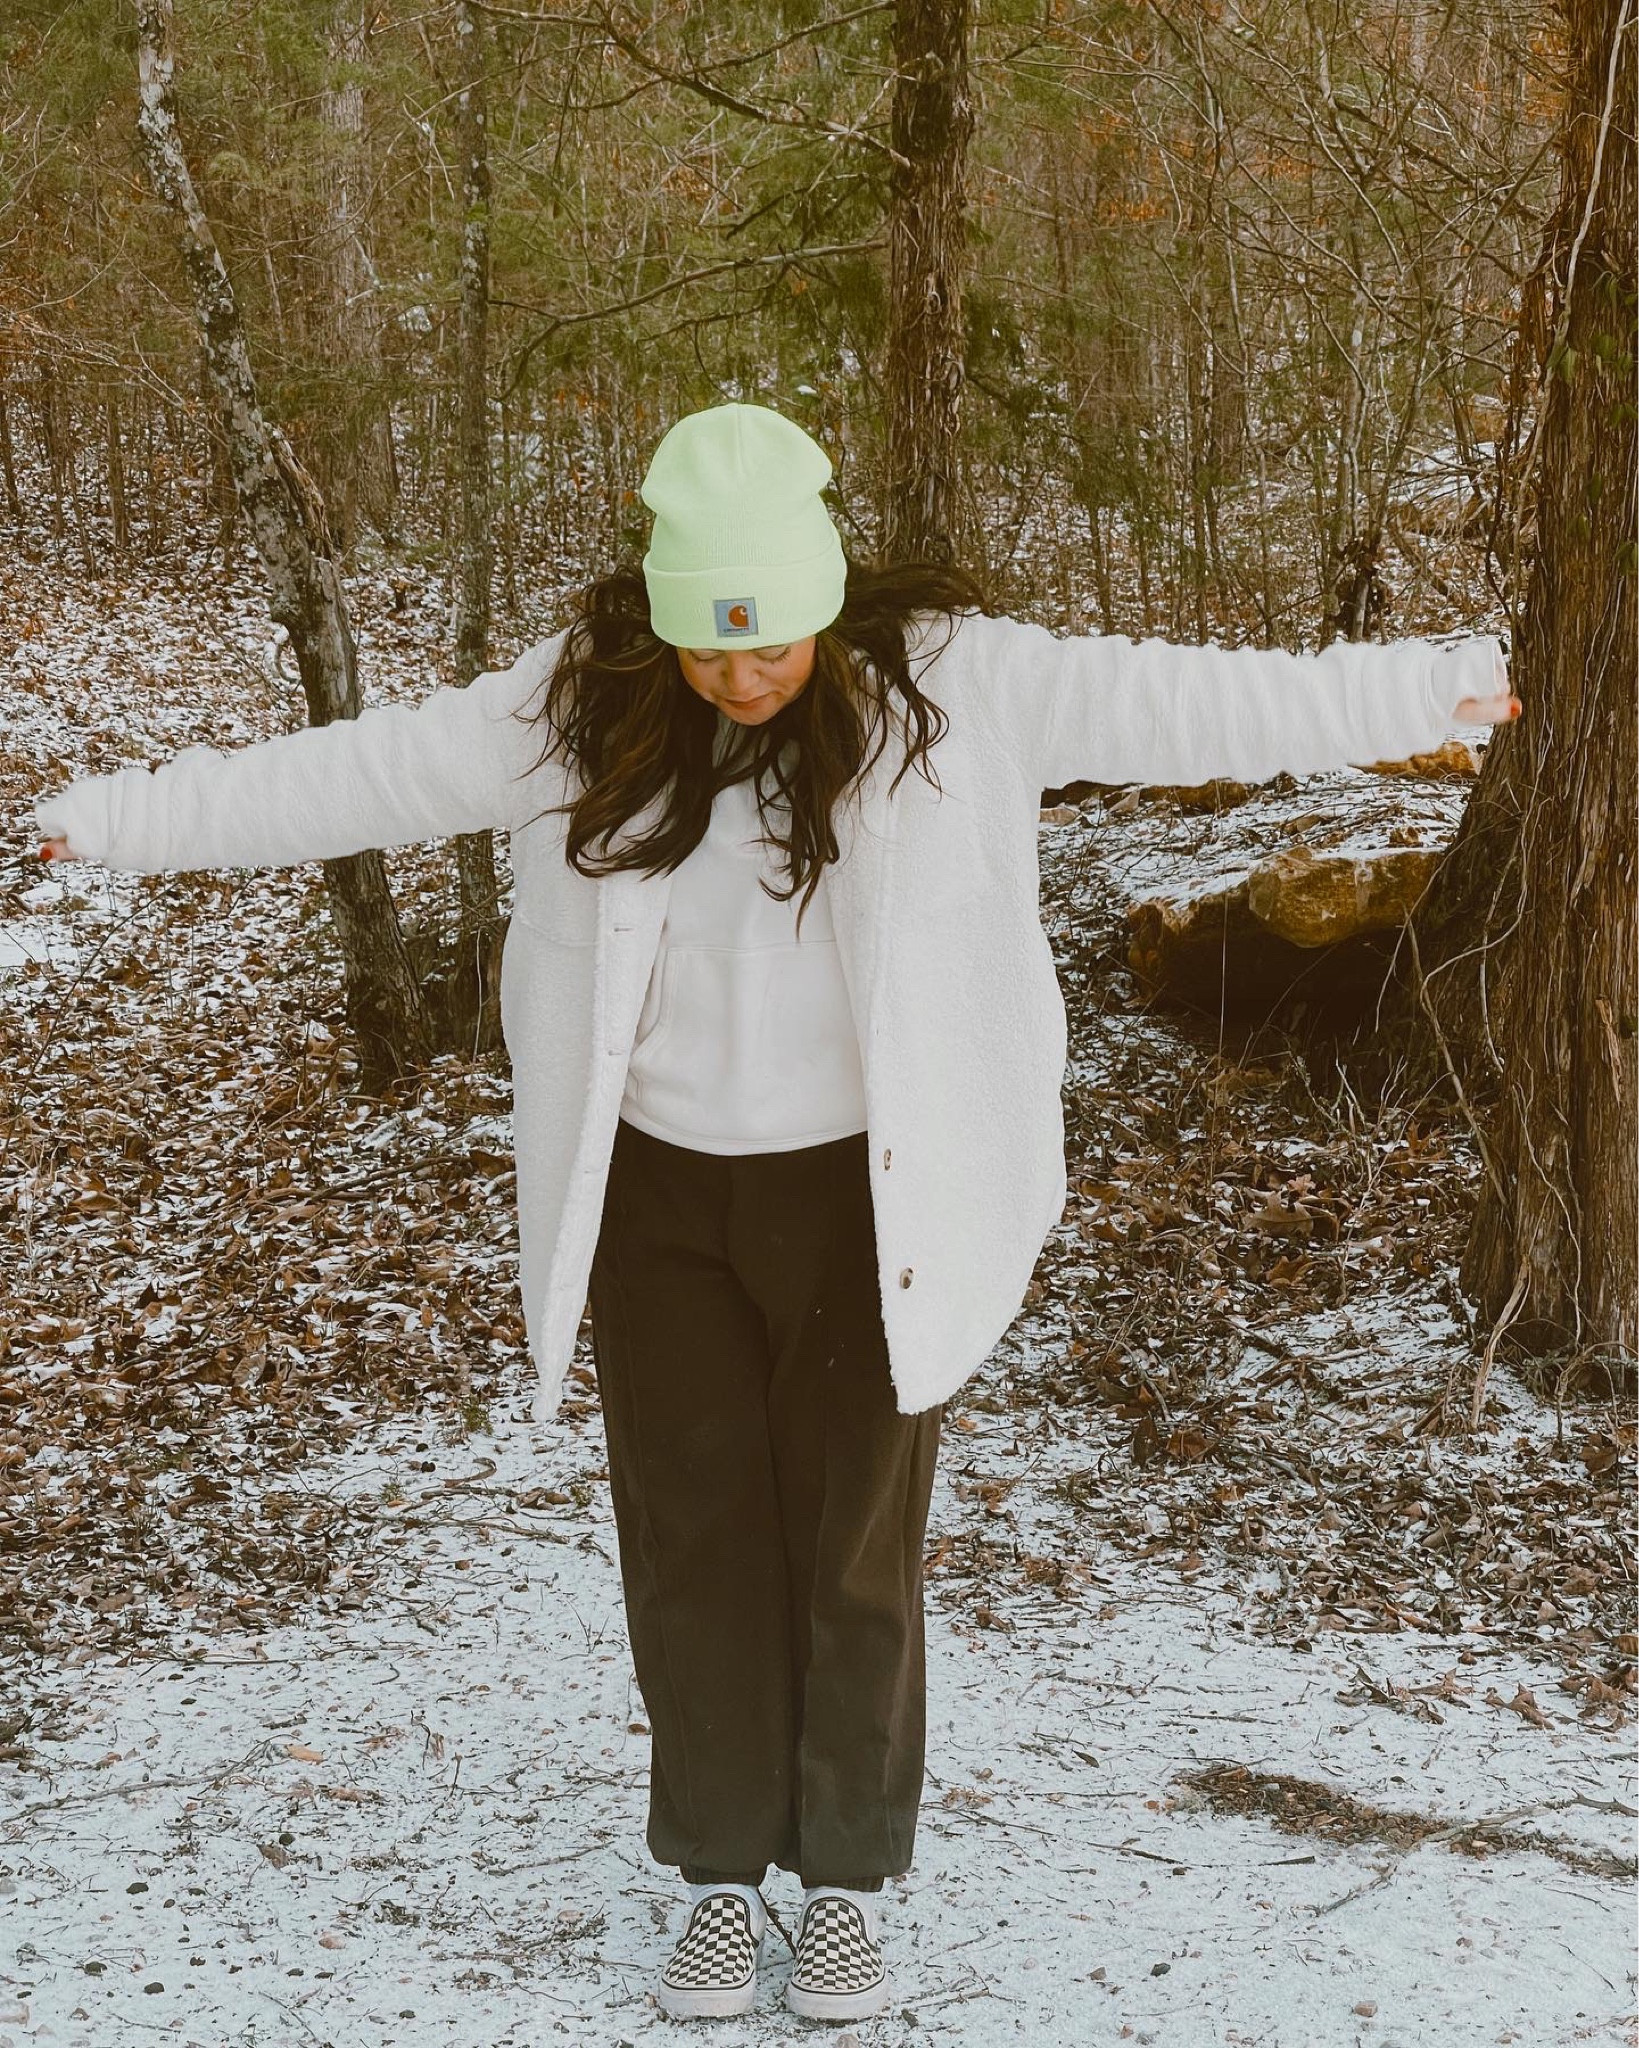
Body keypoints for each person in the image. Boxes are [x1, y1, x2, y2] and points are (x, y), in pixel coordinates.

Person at [36, 400, 1519, 2024]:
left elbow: (1182, 693)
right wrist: (116, 817)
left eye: (775, 647)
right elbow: (353, 775)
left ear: (824, 594)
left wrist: (1421, 686)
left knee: (851, 1550)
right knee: (697, 1544)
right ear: (664, 616)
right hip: (657, 1195)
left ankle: (851, 1883)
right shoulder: (573, 708)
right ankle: (725, 1882)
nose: (745, 680)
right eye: (711, 652)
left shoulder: (957, 686)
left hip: (867, 1191)